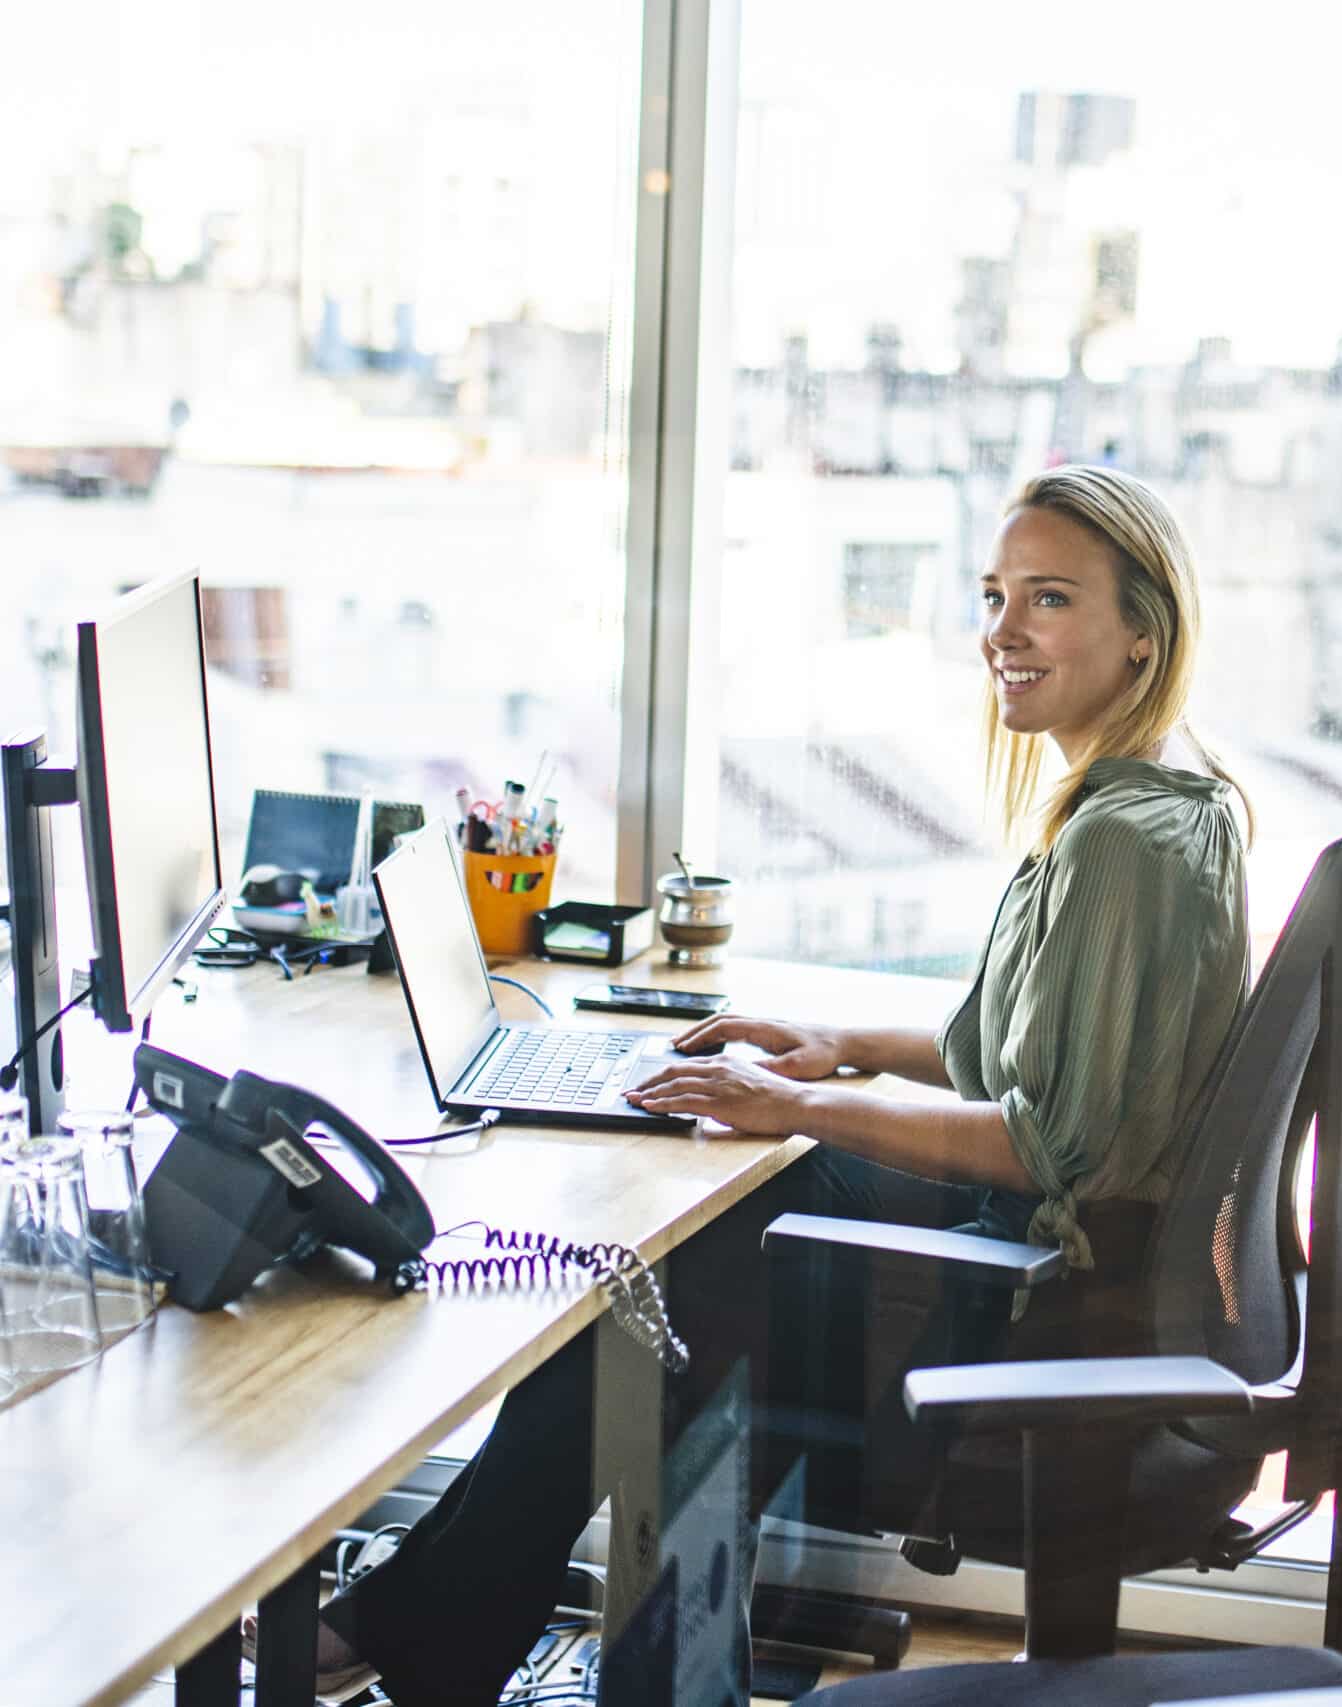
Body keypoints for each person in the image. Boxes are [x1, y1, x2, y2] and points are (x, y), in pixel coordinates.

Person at [269, 466, 1255, 1706]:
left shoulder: (1120, 841)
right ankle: (493, 1639)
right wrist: (835, 1044)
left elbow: (1050, 1146)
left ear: (1142, 634)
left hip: (1027, 1294)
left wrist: (797, 1108)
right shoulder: (1175, 798)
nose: (1001, 632)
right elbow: (1019, 1047)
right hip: (1052, 1267)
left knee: (669, 1289)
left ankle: (444, 1631)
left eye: (1047, 600)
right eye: (995, 595)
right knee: (674, 1266)